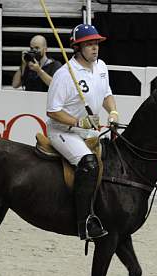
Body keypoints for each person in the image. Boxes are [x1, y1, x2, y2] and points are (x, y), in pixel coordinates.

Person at [45, 24, 119, 240]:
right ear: (77, 48)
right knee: (89, 163)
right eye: (89, 44)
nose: (95, 48)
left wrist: (113, 112)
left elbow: (107, 94)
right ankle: (84, 223)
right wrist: (80, 121)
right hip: (63, 131)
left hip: (88, 132)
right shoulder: (65, 74)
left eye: (96, 43)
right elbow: (53, 110)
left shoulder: (101, 67)